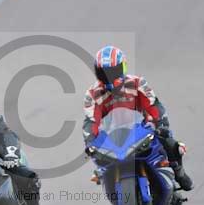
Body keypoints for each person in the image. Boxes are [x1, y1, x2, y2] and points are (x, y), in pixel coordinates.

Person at [83, 45, 194, 191]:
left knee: (170, 142)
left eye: (113, 71)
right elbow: (91, 121)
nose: (110, 76)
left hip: (141, 129)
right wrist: (91, 140)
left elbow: (153, 105)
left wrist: (160, 123)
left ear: (123, 68)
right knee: (96, 159)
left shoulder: (137, 83)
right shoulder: (92, 94)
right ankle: (109, 182)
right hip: (113, 136)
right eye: (104, 73)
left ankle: (179, 172)